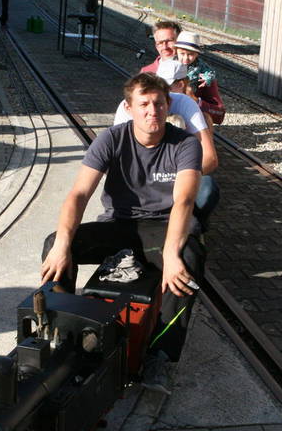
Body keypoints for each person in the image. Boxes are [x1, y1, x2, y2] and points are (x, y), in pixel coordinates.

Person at [40, 71, 204, 362]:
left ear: (168, 105)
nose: (152, 111)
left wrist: (171, 254)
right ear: (129, 108)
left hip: (161, 228)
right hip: (118, 226)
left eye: (159, 103)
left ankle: (163, 353)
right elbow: (79, 194)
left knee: (189, 256)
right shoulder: (112, 138)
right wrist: (63, 243)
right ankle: (62, 331)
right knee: (55, 244)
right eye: (144, 104)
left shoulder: (185, 144)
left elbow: (184, 200)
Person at [113, 60, 221, 229]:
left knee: (207, 187)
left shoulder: (185, 104)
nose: (161, 92)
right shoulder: (128, 109)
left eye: (167, 86)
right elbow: (118, 159)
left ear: (181, 85)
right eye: (158, 84)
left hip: (178, 173)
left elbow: (210, 158)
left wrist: (180, 179)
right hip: (142, 176)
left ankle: (193, 225)